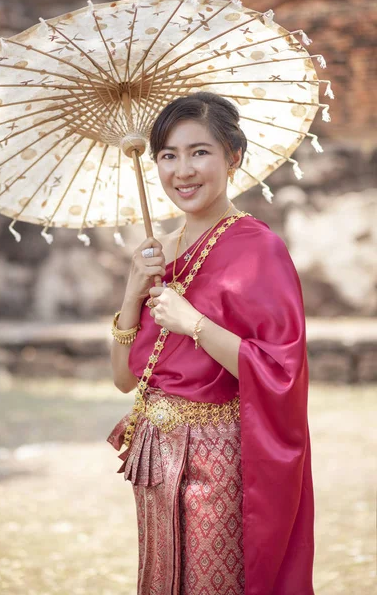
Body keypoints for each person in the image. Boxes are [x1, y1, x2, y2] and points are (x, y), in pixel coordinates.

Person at [107, 92, 315, 595]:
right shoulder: (160, 253)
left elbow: (279, 370)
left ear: (233, 157)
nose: (183, 170)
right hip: (154, 454)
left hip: (218, 460)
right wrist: (133, 293)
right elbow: (125, 379)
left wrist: (193, 322)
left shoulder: (257, 248)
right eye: (168, 155)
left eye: (200, 152)